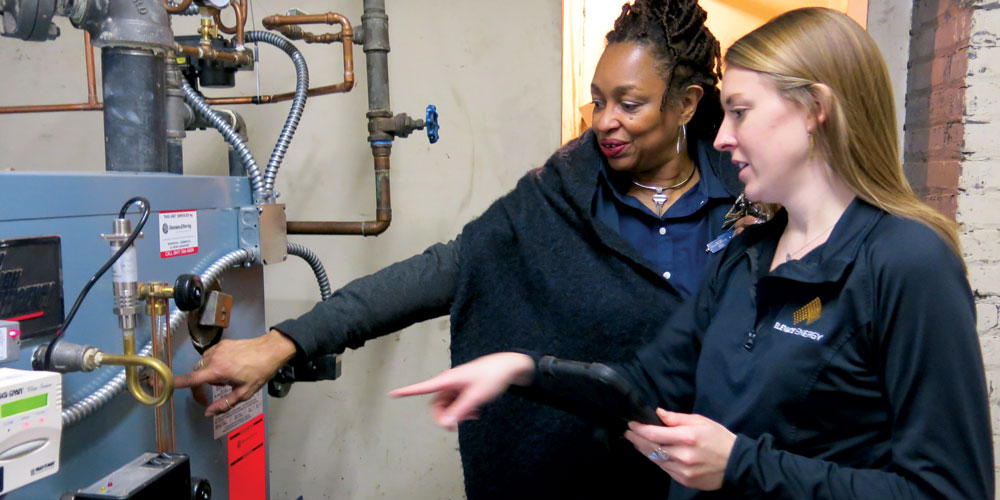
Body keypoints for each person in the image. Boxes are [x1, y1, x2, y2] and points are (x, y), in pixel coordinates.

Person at [390, 7, 995, 499]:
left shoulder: (908, 262)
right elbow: (643, 384)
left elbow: (948, 489)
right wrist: (521, 369)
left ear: (815, 110)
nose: (722, 135)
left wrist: (740, 465)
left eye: (739, 112)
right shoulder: (748, 251)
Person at [176, 0, 744, 497]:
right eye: (598, 101)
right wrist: (284, 342)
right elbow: (444, 269)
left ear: (688, 103)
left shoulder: (754, 199)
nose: (605, 122)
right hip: (585, 479)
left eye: (629, 103)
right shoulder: (560, 198)